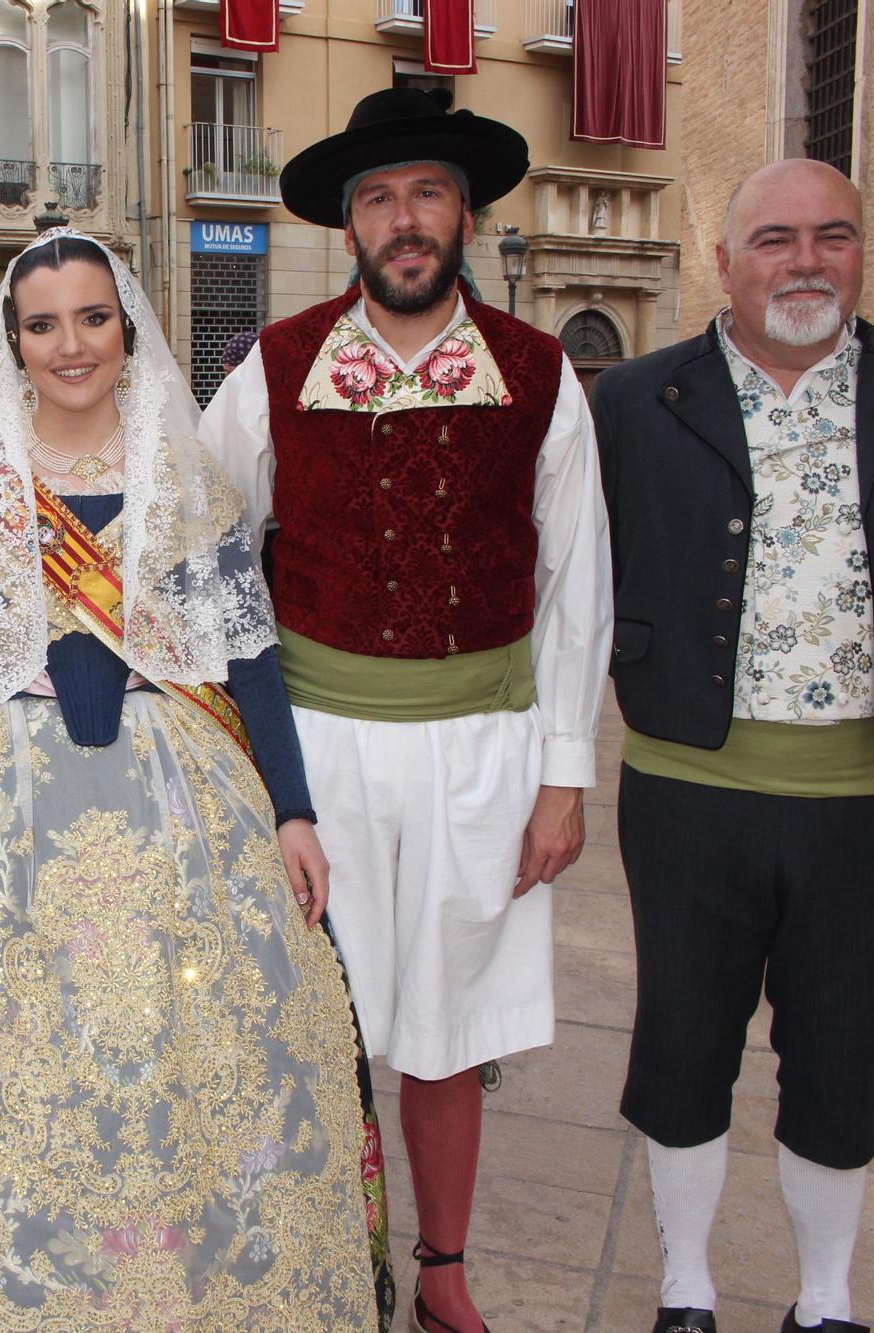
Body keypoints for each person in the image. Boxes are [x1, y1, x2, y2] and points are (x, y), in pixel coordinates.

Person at [0, 229, 382, 1328]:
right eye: (43, 323)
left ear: (127, 325)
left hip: (179, 801)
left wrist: (292, 808)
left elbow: (245, 652)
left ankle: (191, 1287)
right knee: (33, 1061)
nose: (72, 344)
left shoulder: (182, 467)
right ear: (11, 343)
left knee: (189, 1051)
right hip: (10, 807)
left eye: (92, 317)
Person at [200, 87, 613, 1333]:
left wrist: (563, 773)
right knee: (309, 1017)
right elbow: (205, 553)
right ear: (348, 229)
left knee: (445, 1025)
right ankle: (322, 1254)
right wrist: (235, 753)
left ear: (466, 215)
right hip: (316, 752)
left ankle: (440, 1267)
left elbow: (575, 581)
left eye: (425, 192)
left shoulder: (539, 375)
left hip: (480, 749)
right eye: (377, 198)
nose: (403, 218)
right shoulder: (273, 368)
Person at [591, 159, 874, 1333]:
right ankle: (685, 1286)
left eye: (831, 236)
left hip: (861, 795)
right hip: (684, 789)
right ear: (723, 262)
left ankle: (822, 1301)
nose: (803, 261)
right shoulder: (635, 401)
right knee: (681, 1038)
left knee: (839, 1049)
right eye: (772, 238)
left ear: (862, 251)